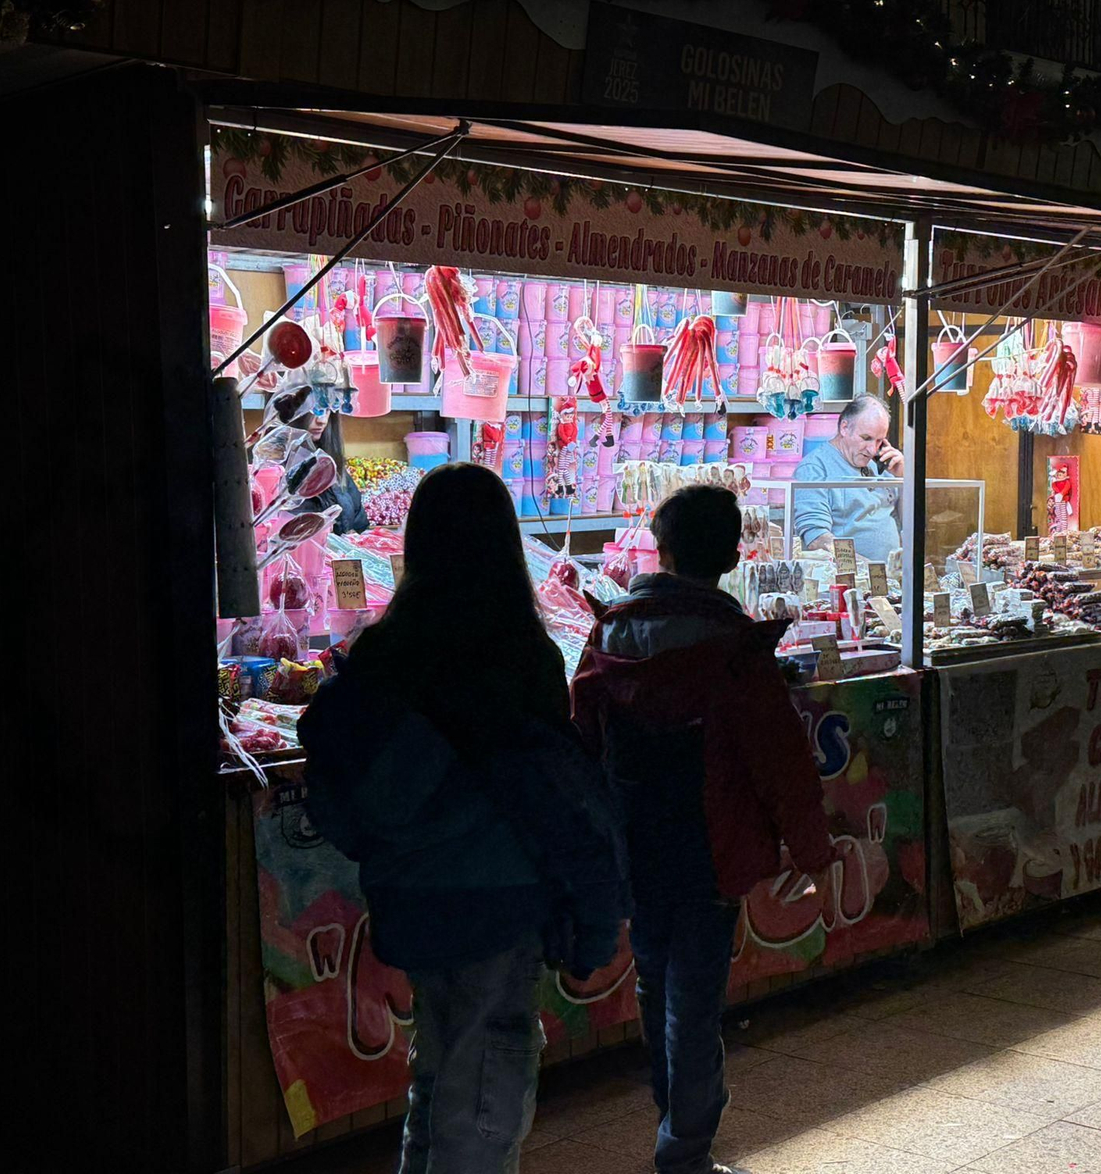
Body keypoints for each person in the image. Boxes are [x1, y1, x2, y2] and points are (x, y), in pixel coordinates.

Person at [299, 463, 626, 1172]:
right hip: (497, 900)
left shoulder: (383, 653)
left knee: (440, 1070)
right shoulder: (520, 656)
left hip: (410, 899)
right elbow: (554, 797)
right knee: (484, 1096)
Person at [571, 485, 834, 1174]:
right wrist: (811, 849)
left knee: (655, 984)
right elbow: (780, 758)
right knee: (693, 998)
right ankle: (685, 1150)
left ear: (661, 548)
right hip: (710, 844)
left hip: (635, 839)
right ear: (731, 555)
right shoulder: (734, 648)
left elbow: (582, 736)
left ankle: (675, 1127)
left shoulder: (610, 632)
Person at [790, 394, 903, 561]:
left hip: (894, 576)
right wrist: (869, 569)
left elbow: (911, 524)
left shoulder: (881, 465)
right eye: (866, 438)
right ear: (844, 428)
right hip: (850, 579)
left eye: (879, 441)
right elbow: (817, 538)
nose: (872, 449)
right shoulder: (814, 468)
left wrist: (904, 478)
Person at [293, 407, 369, 534]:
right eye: (314, 409)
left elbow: (359, 524)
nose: (322, 420)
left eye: (327, 410)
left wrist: (352, 540)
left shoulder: (331, 463)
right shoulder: (275, 469)